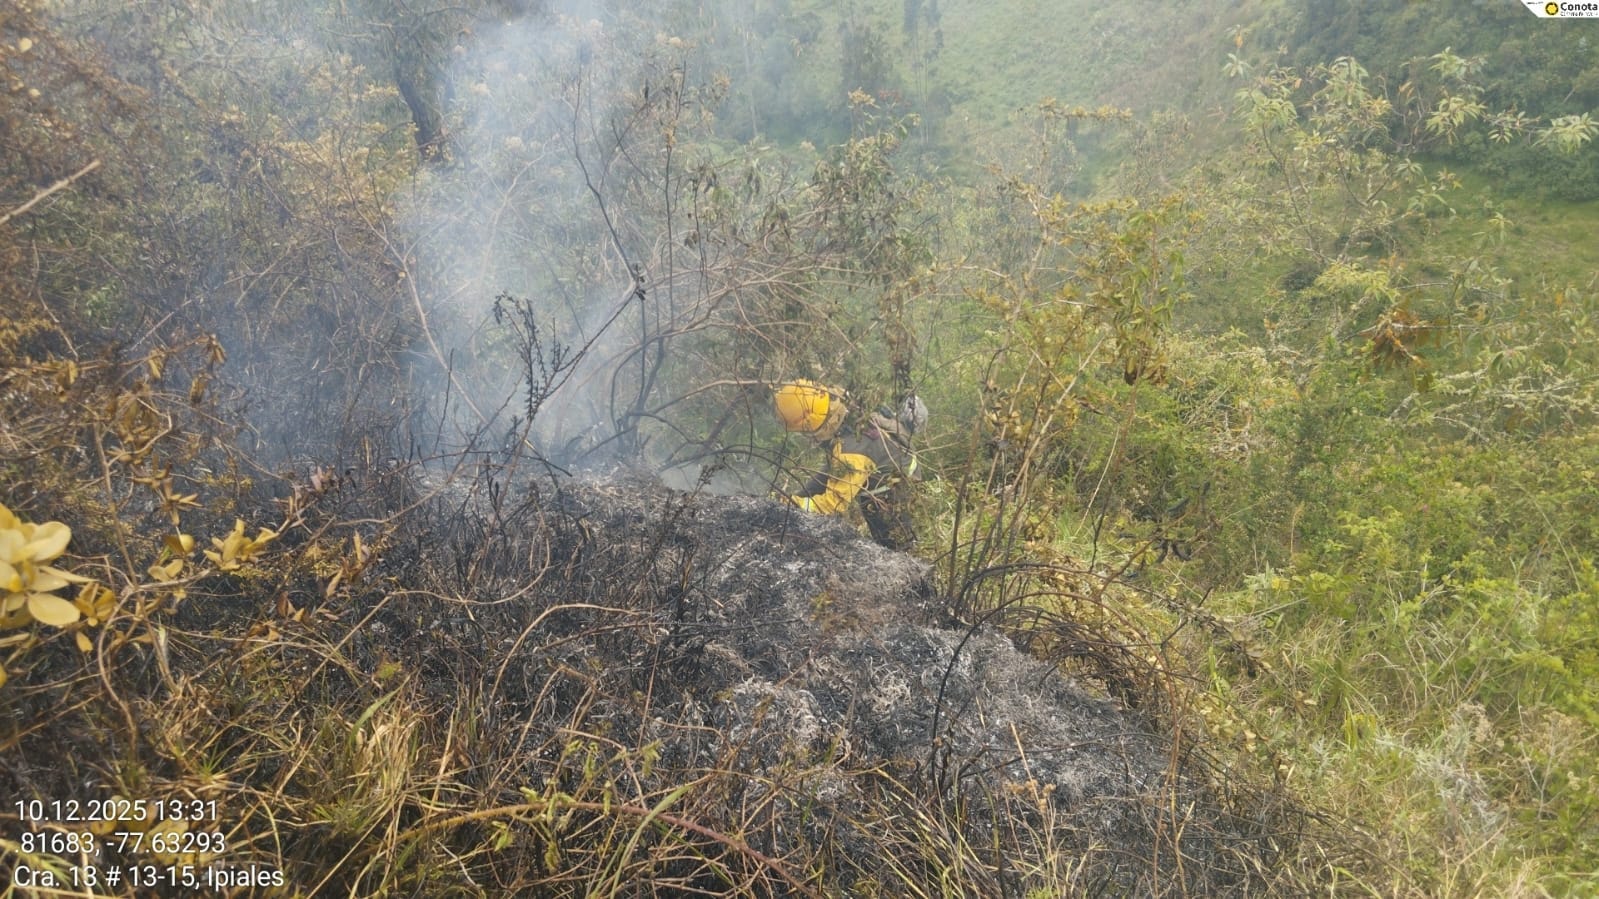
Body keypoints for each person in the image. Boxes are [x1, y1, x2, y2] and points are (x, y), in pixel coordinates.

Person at [772, 379, 927, 550]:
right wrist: (795, 498)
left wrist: (792, 506)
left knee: (894, 544)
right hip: (884, 465)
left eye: (804, 432)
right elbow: (834, 470)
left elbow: (832, 505)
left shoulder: (851, 451)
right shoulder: (839, 405)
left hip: (892, 491)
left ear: (813, 423)